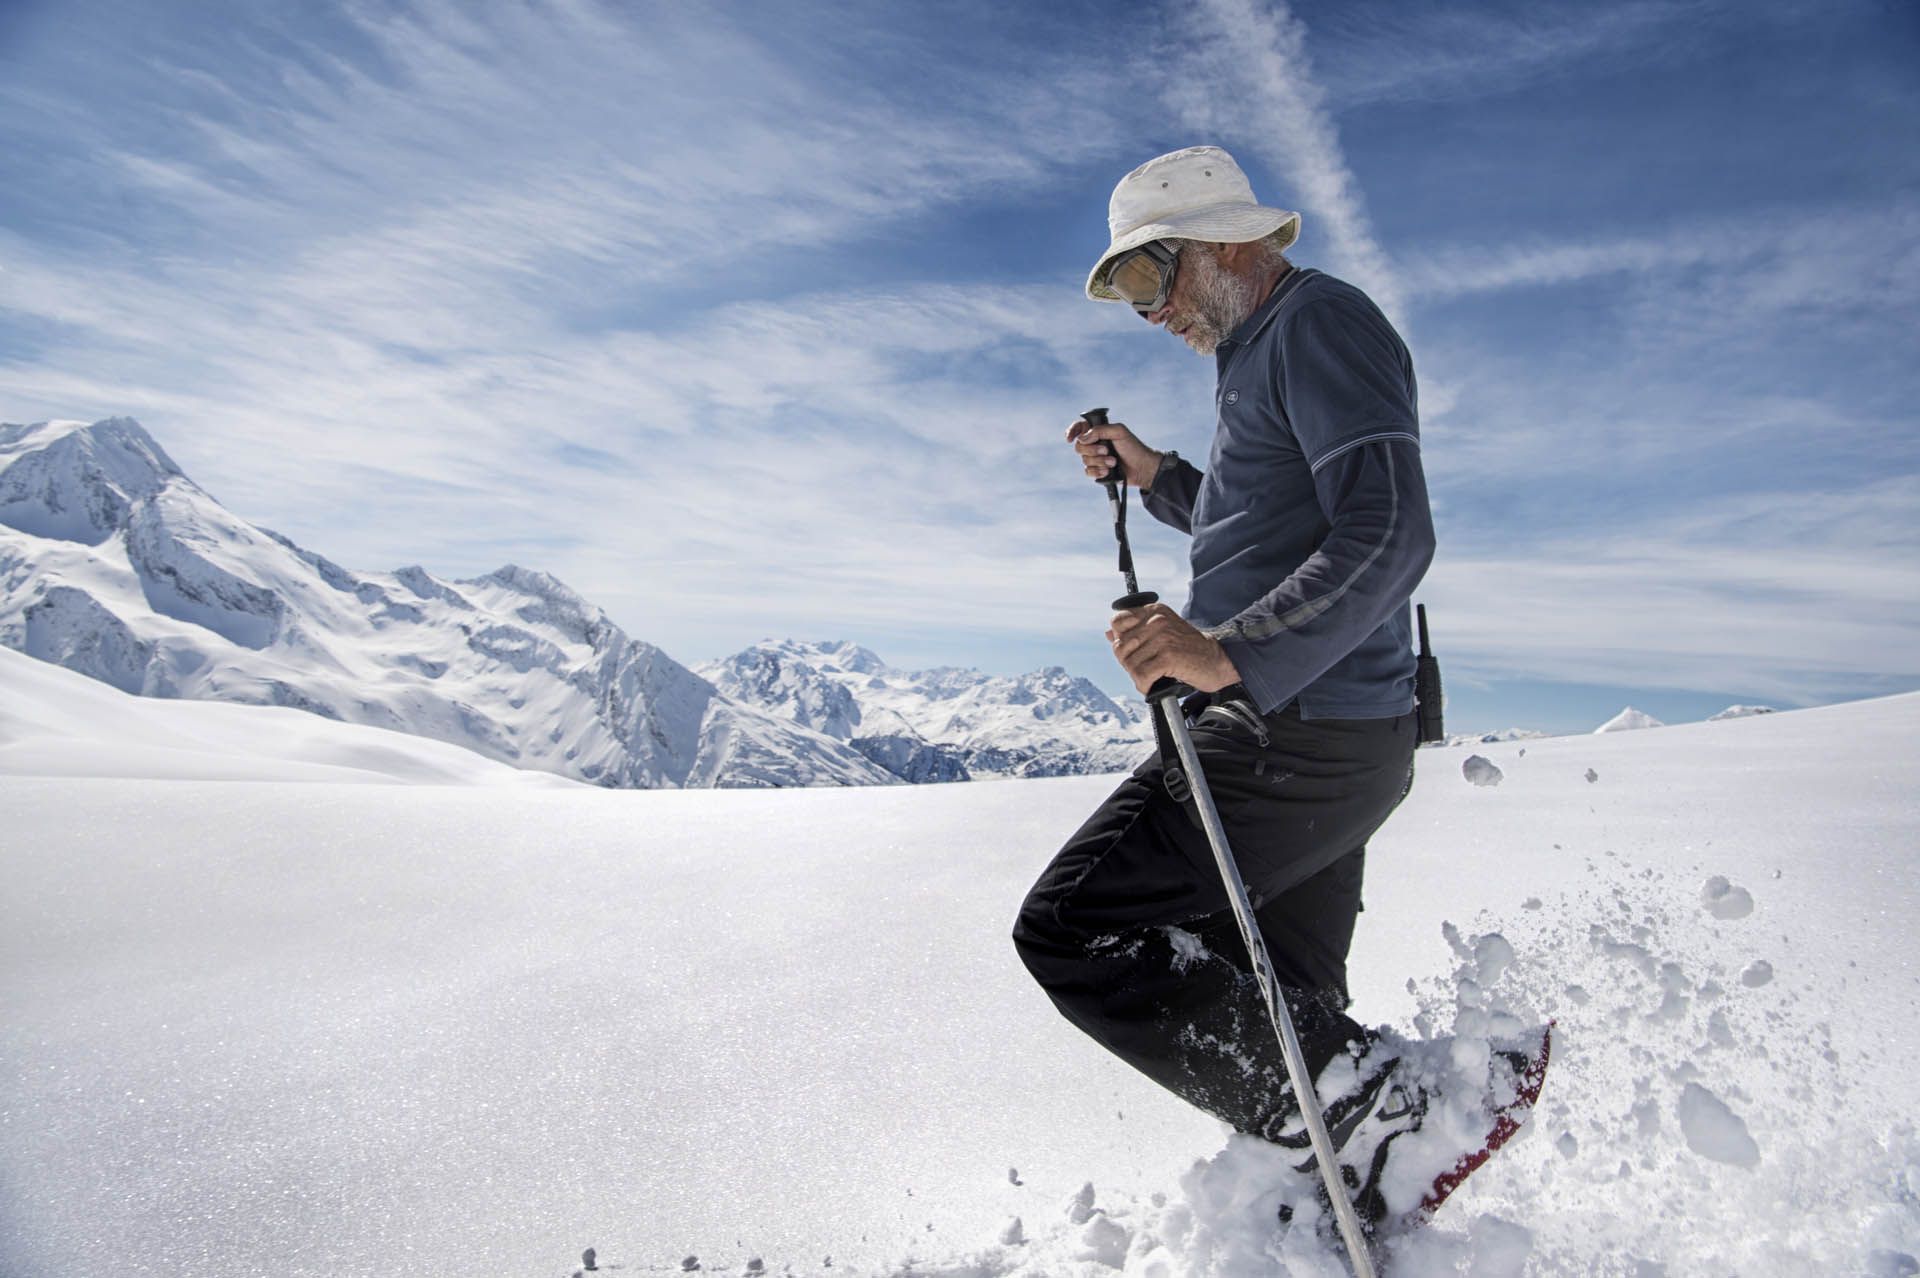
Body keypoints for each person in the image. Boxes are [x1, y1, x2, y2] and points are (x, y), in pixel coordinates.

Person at [1012, 145, 1445, 1231]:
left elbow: (1390, 530)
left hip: (1292, 727)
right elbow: (1262, 523)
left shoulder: (1318, 325)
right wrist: (1155, 474)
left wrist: (1230, 654)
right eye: (1125, 296)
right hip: (1329, 729)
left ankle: (1388, 1108)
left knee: (1072, 928)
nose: (1146, 313)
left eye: (1148, 281)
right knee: (1287, 1009)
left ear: (1218, 241)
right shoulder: (1256, 353)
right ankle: (1355, 1201)